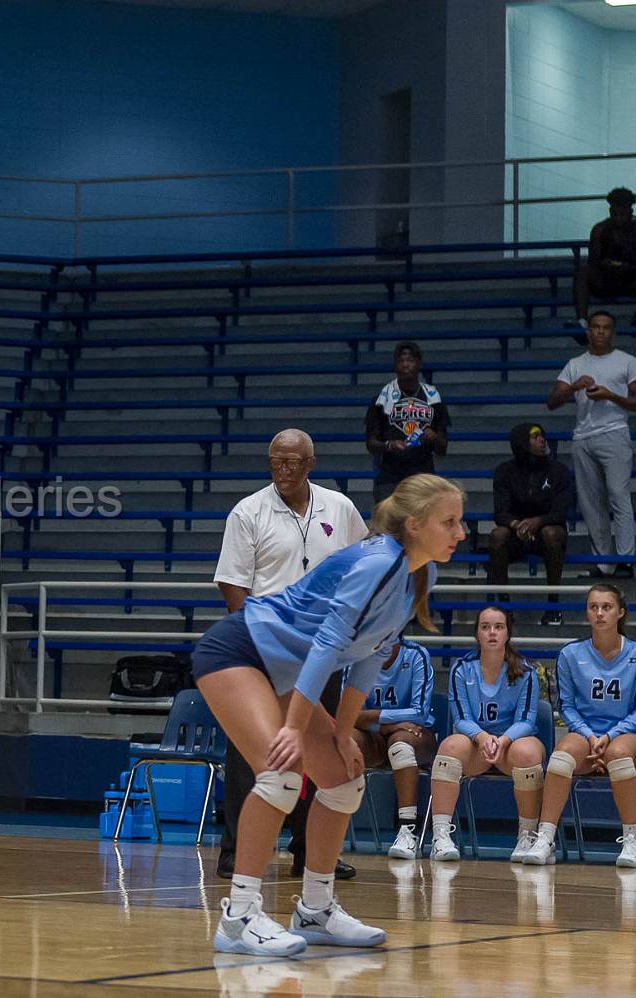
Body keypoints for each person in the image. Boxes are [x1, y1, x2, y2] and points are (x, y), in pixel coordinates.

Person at [192, 474, 465, 957]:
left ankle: (315, 909)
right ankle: (238, 918)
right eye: (451, 522)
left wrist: (342, 731)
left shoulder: (420, 573)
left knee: (342, 780)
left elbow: (368, 655)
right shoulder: (379, 561)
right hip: (240, 651)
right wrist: (296, 729)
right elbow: (326, 644)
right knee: (281, 776)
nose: (460, 532)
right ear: (416, 524)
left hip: (282, 669)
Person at [212, 428, 368, 880]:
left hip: (325, 647)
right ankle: (237, 849)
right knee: (251, 751)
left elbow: (362, 564)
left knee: (320, 750)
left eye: (292, 462)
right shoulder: (248, 512)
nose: (283, 469)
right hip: (267, 647)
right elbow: (233, 583)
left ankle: (312, 852)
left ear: (310, 464)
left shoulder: (339, 507)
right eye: (276, 461)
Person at [523, 584, 636, 868]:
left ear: (620, 612)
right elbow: (567, 707)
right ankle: (546, 837)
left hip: (630, 737)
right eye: (593, 607)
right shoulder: (571, 654)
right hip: (587, 735)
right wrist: (591, 736)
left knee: (619, 753)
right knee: (561, 755)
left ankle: (632, 841)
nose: (599, 613)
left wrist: (609, 736)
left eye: (606, 607)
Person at [426, 605, 545, 864]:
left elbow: (527, 720)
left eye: (498, 627)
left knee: (528, 751)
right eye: (485, 627)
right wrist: (482, 738)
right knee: (449, 746)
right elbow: (461, 718)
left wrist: (501, 741)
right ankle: (441, 836)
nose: (492, 632)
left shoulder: (526, 671)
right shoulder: (462, 669)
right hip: (476, 746)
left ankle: (527, 836)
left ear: (507, 634)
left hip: (510, 746)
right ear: (477, 633)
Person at [548, 310, 636, 579]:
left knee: (618, 494)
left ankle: (625, 560)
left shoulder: (627, 361)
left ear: (612, 332)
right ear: (588, 331)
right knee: (591, 503)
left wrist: (611, 396)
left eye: (606, 327)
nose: (601, 332)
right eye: (596, 327)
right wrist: (574, 387)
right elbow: (553, 401)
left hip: (614, 433)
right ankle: (604, 562)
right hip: (582, 436)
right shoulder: (575, 363)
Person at [350, 637, 436, 860]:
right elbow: (349, 714)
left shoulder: (416, 654)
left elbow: (420, 713)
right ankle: (320, 829)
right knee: (343, 741)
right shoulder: (358, 656)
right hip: (373, 735)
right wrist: (389, 723)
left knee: (400, 744)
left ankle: (408, 829)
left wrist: (383, 721)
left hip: (416, 735)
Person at [489, 422, 573, 625]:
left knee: (552, 533)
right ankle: (504, 609)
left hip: (547, 532)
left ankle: (553, 606)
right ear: (521, 443)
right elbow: (500, 512)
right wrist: (517, 524)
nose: (542, 440)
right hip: (517, 534)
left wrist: (538, 522)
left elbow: (560, 512)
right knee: (497, 535)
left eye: (542, 436)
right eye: (535, 437)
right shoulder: (504, 471)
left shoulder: (559, 471)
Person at [365, 342, 450, 503]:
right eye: (401, 361)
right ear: (395, 366)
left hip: (423, 475)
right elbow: (370, 443)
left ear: (419, 364)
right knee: (387, 525)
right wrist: (389, 445)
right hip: (390, 476)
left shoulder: (433, 398)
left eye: (410, 360)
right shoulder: (383, 398)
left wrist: (434, 438)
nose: (405, 365)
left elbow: (443, 448)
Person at [571, 187, 636, 331]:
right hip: (608, 280)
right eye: (615, 213)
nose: (618, 218)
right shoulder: (599, 230)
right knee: (582, 272)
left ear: (630, 212)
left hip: (634, 281)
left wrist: (629, 267)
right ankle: (582, 321)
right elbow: (594, 263)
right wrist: (606, 265)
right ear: (610, 211)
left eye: (622, 214)